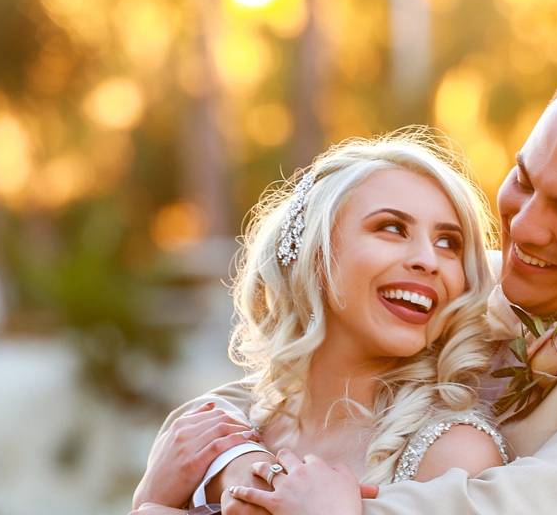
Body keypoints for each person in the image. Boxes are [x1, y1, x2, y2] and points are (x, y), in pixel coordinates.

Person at [137, 64, 557, 514]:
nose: (523, 225)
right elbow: (310, 375)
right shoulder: (455, 277)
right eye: (524, 177)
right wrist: (218, 463)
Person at [132, 133, 509, 514]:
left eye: (449, 243)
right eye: (393, 228)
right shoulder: (219, 426)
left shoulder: (454, 454)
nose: (429, 260)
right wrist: (149, 498)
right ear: (317, 252)